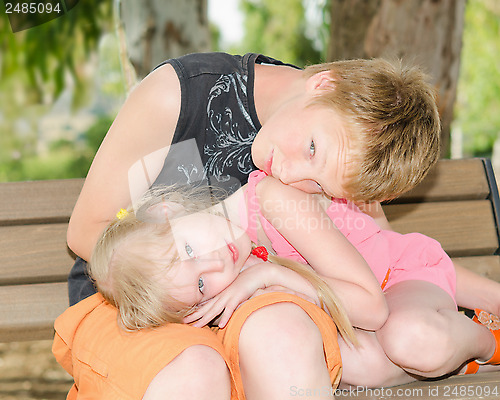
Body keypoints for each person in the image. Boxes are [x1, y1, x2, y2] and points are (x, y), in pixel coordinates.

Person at [54, 186, 351, 399]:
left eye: (189, 250)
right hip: (130, 306)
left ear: (166, 208)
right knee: (194, 371)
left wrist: (268, 273)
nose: (215, 261)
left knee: (280, 336)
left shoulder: (269, 198)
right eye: (201, 284)